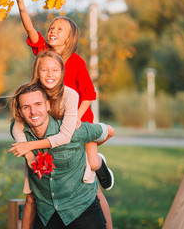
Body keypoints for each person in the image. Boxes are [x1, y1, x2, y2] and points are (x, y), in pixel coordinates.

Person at [15, 0, 113, 228]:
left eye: (60, 29)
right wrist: (20, 4)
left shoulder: (76, 62)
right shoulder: (44, 55)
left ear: (70, 39)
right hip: (54, 121)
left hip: (78, 118)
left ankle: (101, 165)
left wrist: (76, 119)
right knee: (47, 173)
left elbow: (89, 96)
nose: (53, 31)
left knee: (91, 170)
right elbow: (30, 31)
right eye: (52, 27)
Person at [10, 82, 114, 228]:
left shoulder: (72, 130)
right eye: (26, 107)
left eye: (38, 104)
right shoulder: (22, 135)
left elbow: (109, 131)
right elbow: (14, 126)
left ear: (48, 105)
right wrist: (28, 154)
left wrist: (84, 152)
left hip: (81, 210)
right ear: (20, 112)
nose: (33, 111)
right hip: (47, 215)